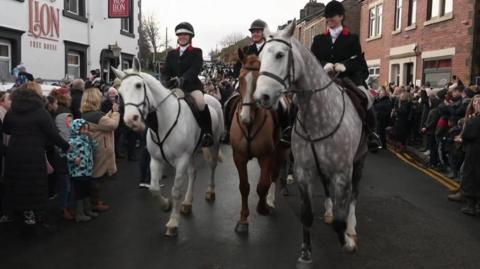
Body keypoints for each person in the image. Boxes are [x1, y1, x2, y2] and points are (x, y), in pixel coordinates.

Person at [310, 0, 381, 152]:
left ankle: (371, 133)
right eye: (327, 18)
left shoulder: (352, 38)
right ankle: (291, 130)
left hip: (347, 79)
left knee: (365, 97)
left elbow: (359, 61)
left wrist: (345, 66)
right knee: (300, 98)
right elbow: (312, 59)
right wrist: (325, 65)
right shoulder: (318, 39)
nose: (329, 20)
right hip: (324, 78)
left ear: (341, 16)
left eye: (332, 17)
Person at [3, 87, 70, 227]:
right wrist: (66, 146)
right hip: (34, 152)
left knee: (17, 182)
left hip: (14, 152)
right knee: (35, 183)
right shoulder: (41, 113)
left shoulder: (11, 112)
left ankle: (18, 212)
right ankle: (35, 214)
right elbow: (53, 134)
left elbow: (7, 129)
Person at [161, 22, 213, 147]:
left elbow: (195, 69)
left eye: (185, 34)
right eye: (180, 35)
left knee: (200, 103)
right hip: (173, 88)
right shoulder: (171, 54)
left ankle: (207, 133)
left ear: (190, 36)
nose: (182, 37)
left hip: (191, 87)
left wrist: (183, 79)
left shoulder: (196, 52)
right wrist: (164, 80)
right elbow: (165, 70)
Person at [81, 88, 120, 212]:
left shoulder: (87, 114)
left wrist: (109, 113)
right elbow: (112, 125)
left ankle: (94, 201)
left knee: (95, 175)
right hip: (100, 149)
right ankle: (95, 202)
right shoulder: (96, 115)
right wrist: (115, 113)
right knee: (97, 176)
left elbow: (102, 121)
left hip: (94, 147)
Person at [67, 119, 98, 222]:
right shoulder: (72, 141)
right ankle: (79, 214)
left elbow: (95, 149)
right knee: (80, 192)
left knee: (86, 190)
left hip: (87, 170)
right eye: (83, 128)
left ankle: (87, 210)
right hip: (77, 171)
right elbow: (63, 152)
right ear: (77, 129)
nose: (86, 130)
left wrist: (92, 139)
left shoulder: (87, 139)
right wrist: (73, 158)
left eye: (87, 128)